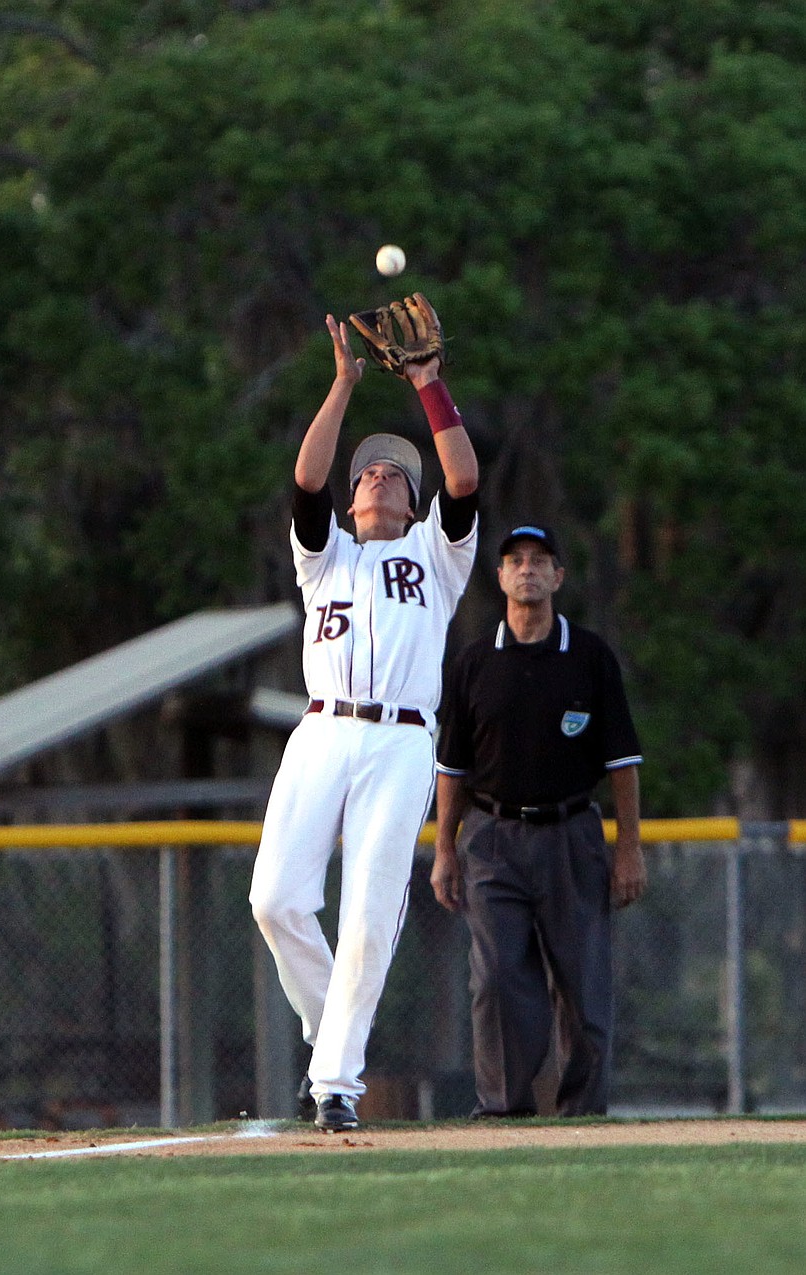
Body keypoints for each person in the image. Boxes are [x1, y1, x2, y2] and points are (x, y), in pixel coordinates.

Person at [249, 308, 478, 1132]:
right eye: (370, 473)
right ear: (353, 502)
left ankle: (337, 1083)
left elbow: (463, 482)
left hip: (401, 739)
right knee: (275, 898)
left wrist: (428, 384)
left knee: (372, 909)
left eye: (394, 474)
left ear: (412, 503)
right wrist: (343, 385)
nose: (381, 476)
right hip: (323, 731)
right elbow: (307, 481)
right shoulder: (326, 556)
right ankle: (328, 1032)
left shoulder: (436, 556)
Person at [431, 523, 646, 1117]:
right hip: (493, 837)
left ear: (558, 577)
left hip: (572, 833)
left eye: (539, 560)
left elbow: (623, 761)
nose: (527, 569)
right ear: (499, 577)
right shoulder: (475, 662)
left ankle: (582, 1113)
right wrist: (445, 849)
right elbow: (451, 767)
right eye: (514, 560)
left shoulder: (591, 656)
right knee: (498, 979)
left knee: (582, 986)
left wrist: (628, 847)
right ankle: (505, 1109)